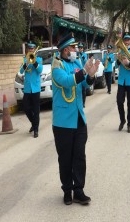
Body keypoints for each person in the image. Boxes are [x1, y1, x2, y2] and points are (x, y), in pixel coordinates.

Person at [51, 32, 99, 205]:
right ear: (64, 50)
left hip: (79, 118)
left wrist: (91, 75)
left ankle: (78, 190)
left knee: (79, 156)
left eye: (75, 47)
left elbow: (85, 84)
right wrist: (84, 71)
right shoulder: (57, 66)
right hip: (63, 121)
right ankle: (67, 190)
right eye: (72, 47)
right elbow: (67, 81)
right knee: (65, 158)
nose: (75, 49)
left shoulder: (76, 62)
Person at [116, 32, 130, 133]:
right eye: (125, 40)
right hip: (121, 81)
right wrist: (118, 61)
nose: (127, 42)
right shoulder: (120, 51)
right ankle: (122, 120)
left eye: (128, 40)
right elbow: (116, 66)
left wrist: (129, 63)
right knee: (119, 102)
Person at [19, 42, 43, 138]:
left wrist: (34, 62)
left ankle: (36, 129)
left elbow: (40, 70)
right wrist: (26, 63)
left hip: (36, 88)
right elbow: (21, 71)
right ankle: (34, 123)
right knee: (26, 107)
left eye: (32, 49)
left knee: (36, 109)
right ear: (27, 50)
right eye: (29, 49)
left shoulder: (39, 59)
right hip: (28, 88)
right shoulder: (25, 59)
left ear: (34, 50)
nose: (31, 50)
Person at [77, 42, 88, 106]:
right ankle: (79, 102)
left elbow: (86, 61)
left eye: (81, 48)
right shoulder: (77, 55)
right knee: (78, 88)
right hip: (78, 72)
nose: (80, 49)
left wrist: (82, 55)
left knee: (83, 88)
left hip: (83, 72)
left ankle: (83, 102)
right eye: (79, 48)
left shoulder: (84, 54)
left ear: (83, 49)